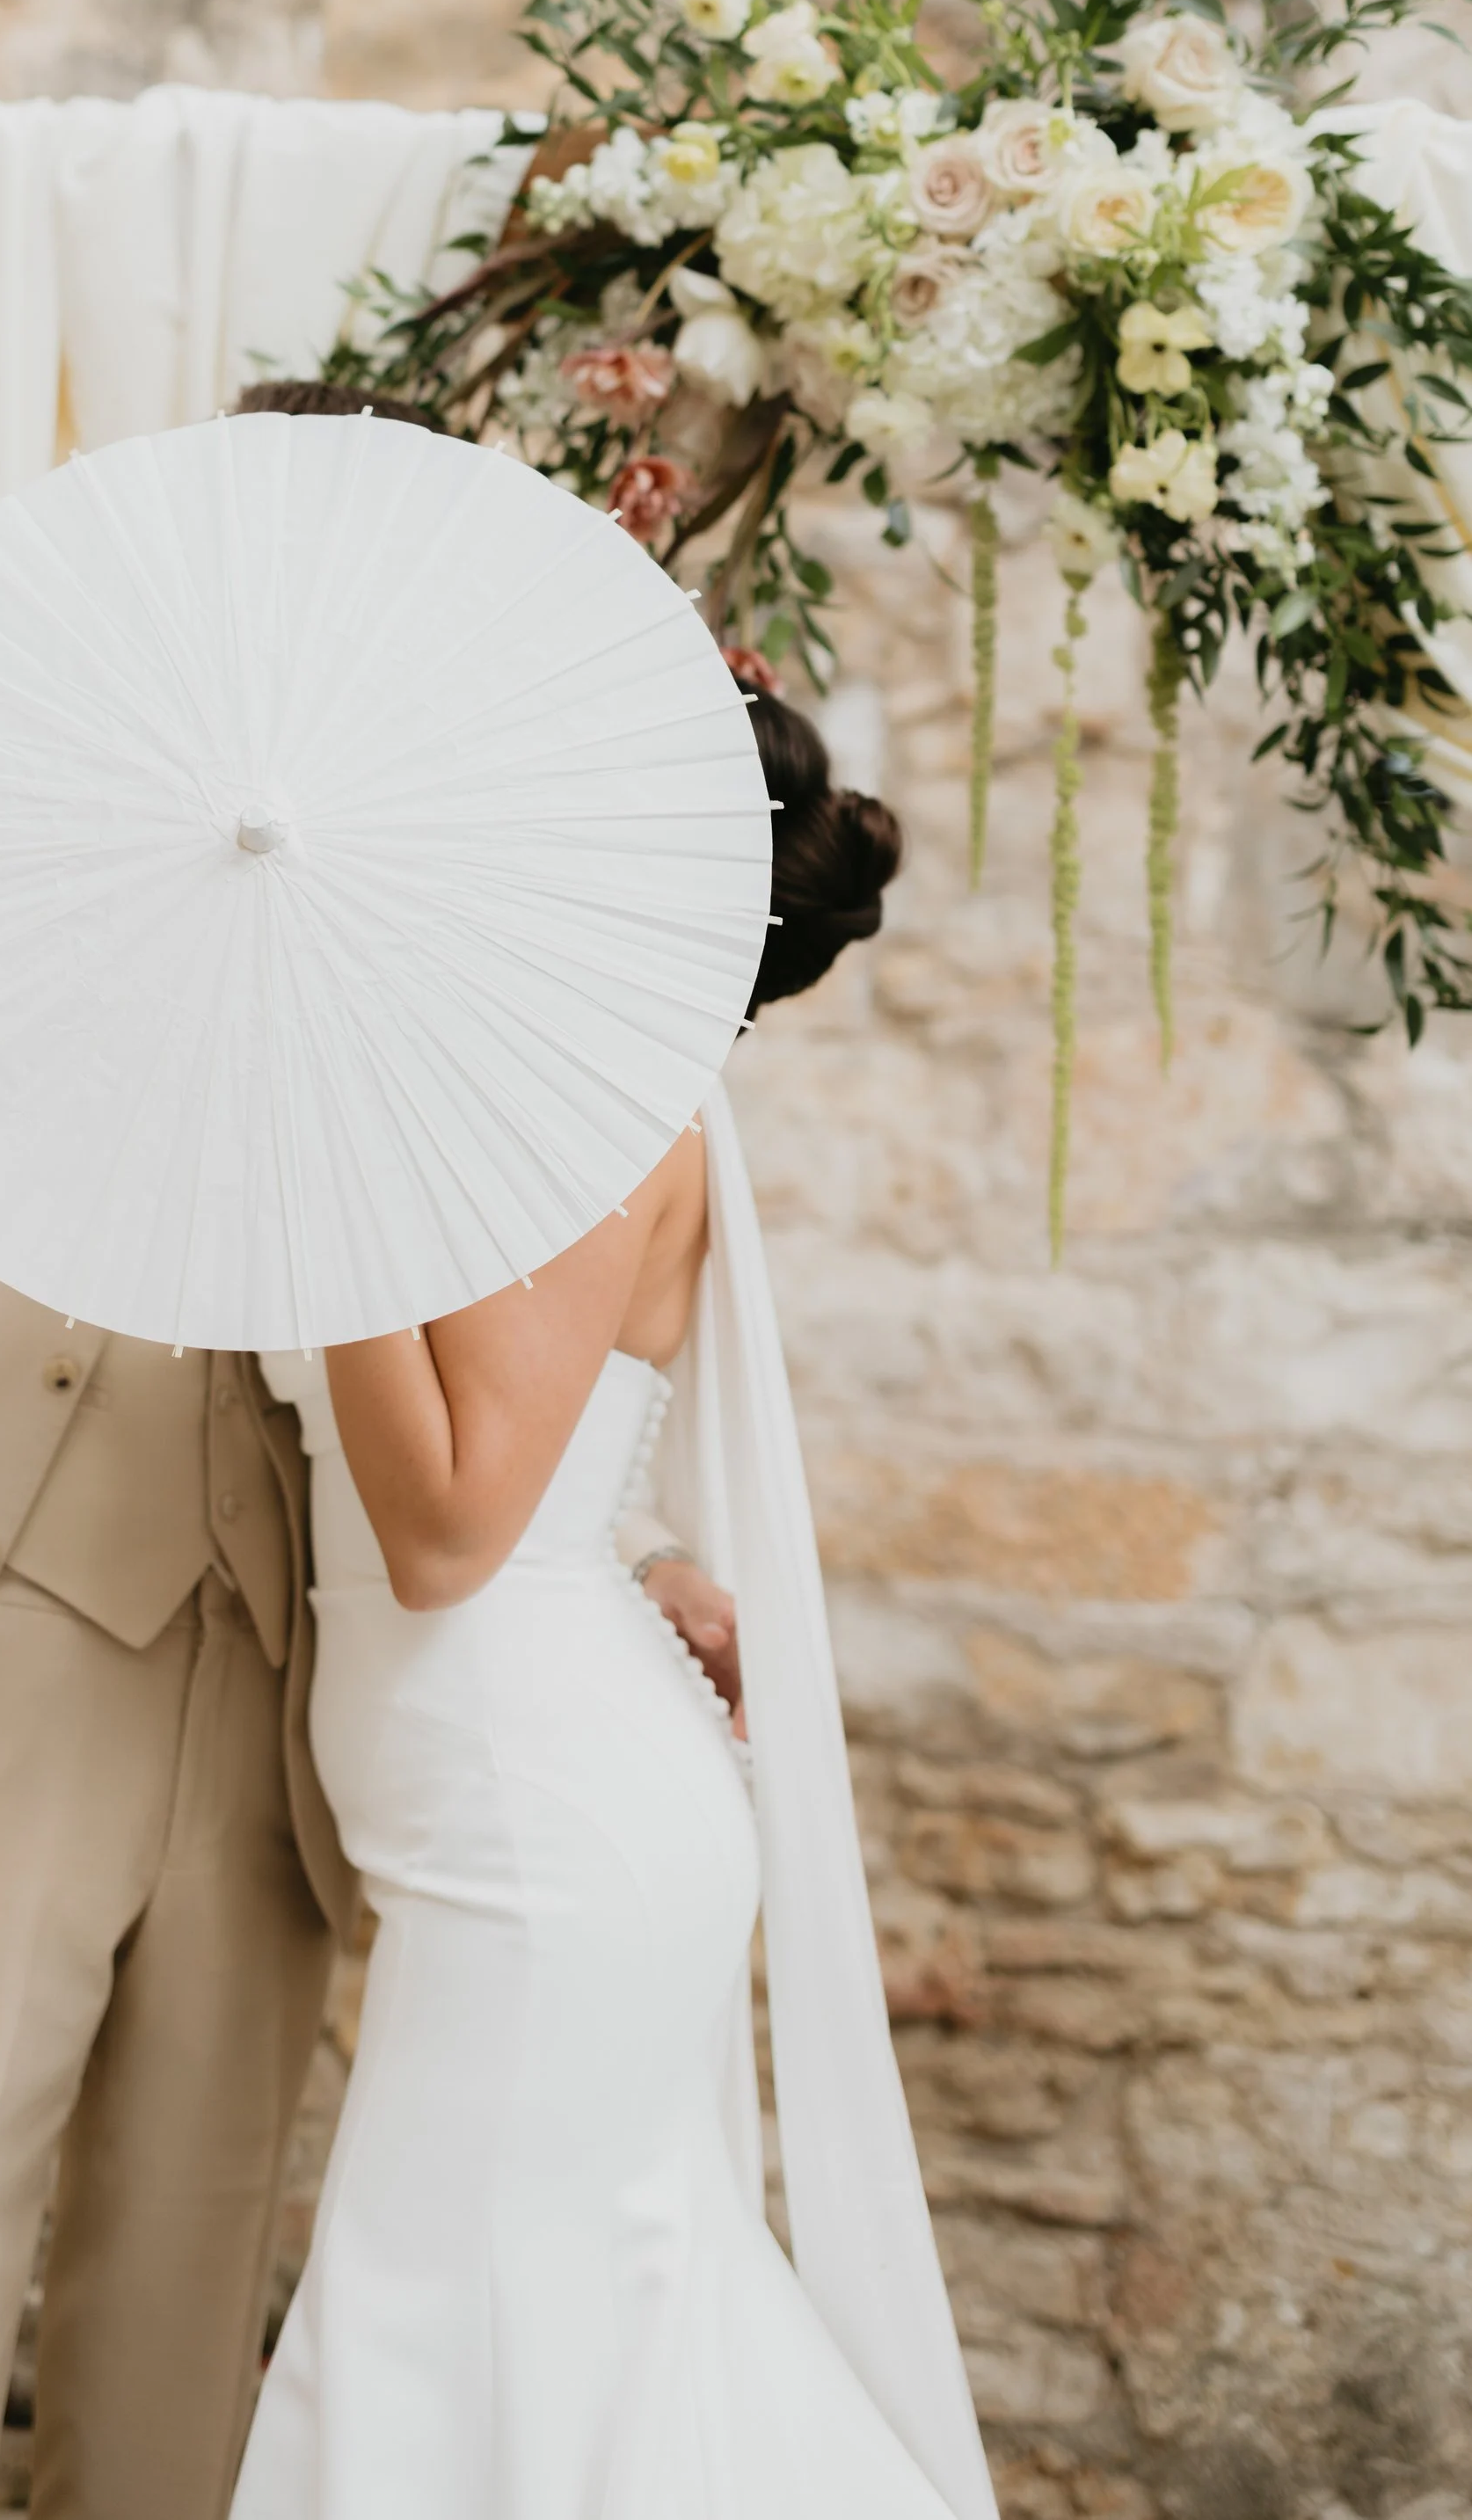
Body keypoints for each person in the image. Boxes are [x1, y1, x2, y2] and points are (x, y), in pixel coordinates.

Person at [0, 377, 732, 2520]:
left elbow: (523, 1321)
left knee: (186, 2323)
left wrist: (634, 1551)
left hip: (290, 1689)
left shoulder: (435, 903)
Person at [232, 688, 1002, 2520]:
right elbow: (551, 1467)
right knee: (562, 2335)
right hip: (513, 1793)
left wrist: (319, 1181)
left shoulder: (583, 1113)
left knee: (453, 2325)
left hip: (540, 1831)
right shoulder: (515, 1090)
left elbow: (442, 1533)